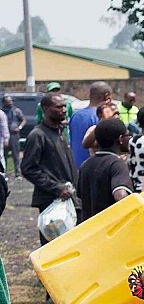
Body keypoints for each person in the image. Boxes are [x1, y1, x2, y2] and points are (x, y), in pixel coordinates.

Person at [76, 118, 140, 304]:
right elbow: (121, 196)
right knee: (118, 299)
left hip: (90, 240)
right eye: (126, 136)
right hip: (113, 242)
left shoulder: (87, 164)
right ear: (120, 140)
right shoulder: (116, 164)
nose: (128, 139)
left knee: (102, 298)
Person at [22, 93, 79, 238]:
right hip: (51, 201)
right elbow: (28, 169)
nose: (64, 110)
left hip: (69, 199)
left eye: (64, 106)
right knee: (54, 247)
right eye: (59, 107)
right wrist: (56, 188)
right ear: (46, 109)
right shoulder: (38, 135)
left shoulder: (60, 132)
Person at [70, 81, 112, 167]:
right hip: (95, 167)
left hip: (75, 167)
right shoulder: (102, 117)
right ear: (107, 96)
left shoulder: (75, 115)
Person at [4, 95, 24, 173]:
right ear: (4, 102)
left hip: (14, 135)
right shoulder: (2, 112)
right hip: (4, 136)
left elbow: (23, 120)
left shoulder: (16, 111)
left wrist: (19, 127)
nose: (10, 103)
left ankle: (18, 173)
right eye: (8, 102)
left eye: (11, 101)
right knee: (4, 155)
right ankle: (4, 172)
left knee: (15, 154)